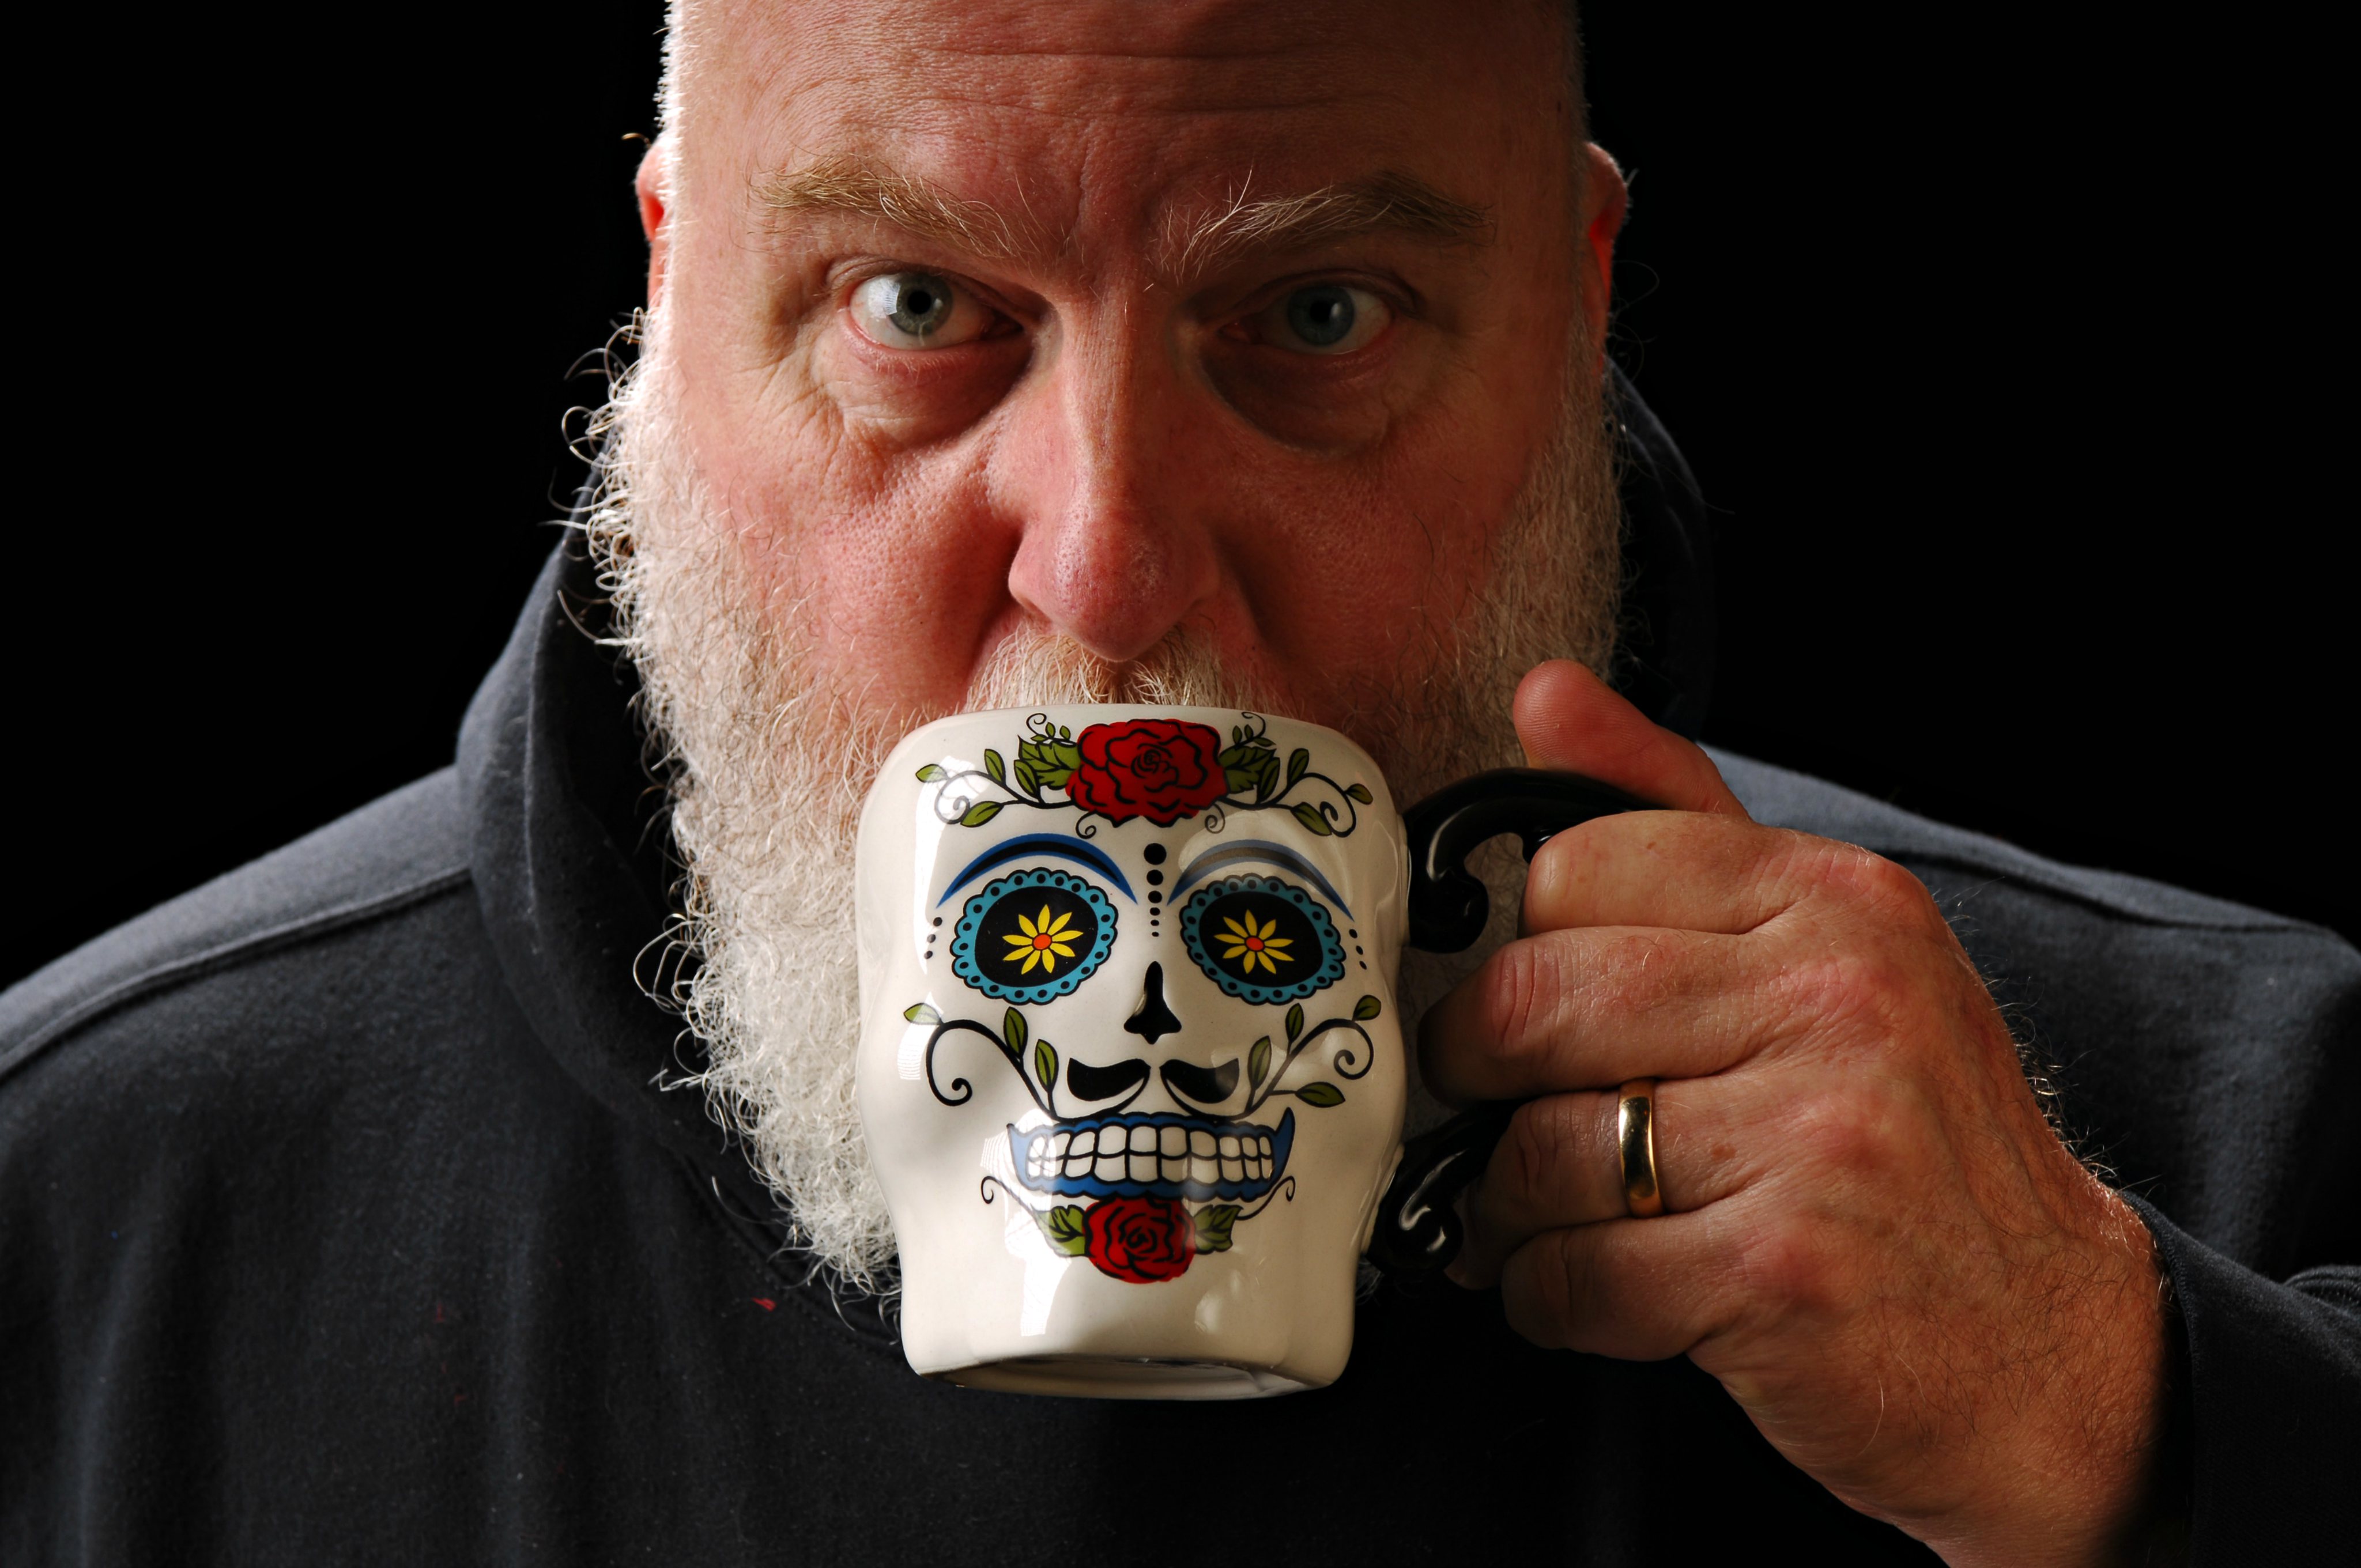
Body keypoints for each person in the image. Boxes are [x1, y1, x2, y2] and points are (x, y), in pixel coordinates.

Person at [3, 2, 2352, 1562]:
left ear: (1577, 304)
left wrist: (2125, 1423)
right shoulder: (81, 1216)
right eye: (918, 308)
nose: (1111, 563)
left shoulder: (2210, 1136)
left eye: (1315, 315)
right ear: (669, 292)